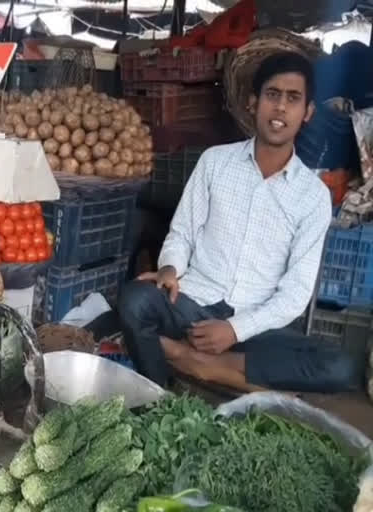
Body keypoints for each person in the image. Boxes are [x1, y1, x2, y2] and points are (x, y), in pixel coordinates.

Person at [117, 52, 358, 394]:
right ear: (253, 103)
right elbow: (183, 232)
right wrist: (170, 268)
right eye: (272, 95)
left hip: (257, 327)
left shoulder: (313, 196)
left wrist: (233, 330)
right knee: (134, 301)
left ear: (307, 113)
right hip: (193, 308)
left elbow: (295, 294)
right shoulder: (215, 162)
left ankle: (201, 365)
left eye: (293, 99)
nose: (280, 109)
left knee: (340, 366)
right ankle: (160, 398)